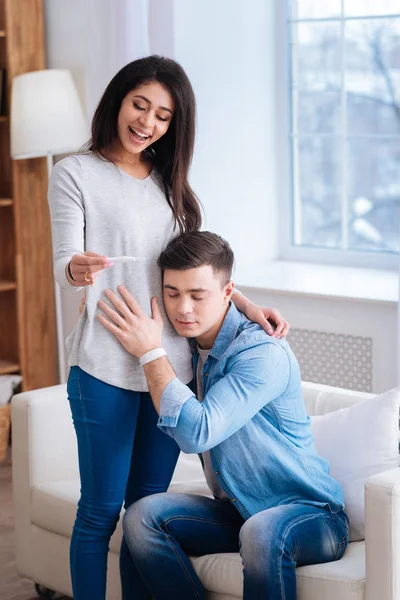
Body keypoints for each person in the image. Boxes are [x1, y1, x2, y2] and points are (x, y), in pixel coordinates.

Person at [48, 56, 290, 600]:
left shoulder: (170, 182)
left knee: (146, 510)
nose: (148, 123)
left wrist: (245, 305)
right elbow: (64, 263)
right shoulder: (75, 172)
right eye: (140, 105)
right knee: (101, 511)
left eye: (163, 115)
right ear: (118, 100)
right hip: (105, 366)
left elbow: (192, 265)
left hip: (170, 369)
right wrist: (76, 268)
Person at [97, 230, 349, 600]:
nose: (183, 309)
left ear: (227, 292)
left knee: (263, 531)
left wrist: (150, 354)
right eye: (173, 294)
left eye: (198, 296)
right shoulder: (186, 342)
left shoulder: (261, 353)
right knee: (141, 517)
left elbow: (197, 433)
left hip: (310, 514)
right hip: (237, 512)